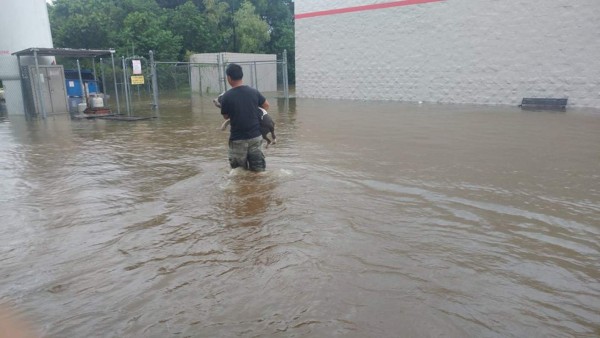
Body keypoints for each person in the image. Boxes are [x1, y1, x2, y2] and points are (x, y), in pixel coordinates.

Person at [219, 63, 270, 171]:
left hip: (238, 139)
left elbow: (225, 116)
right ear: (241, 76)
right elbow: (266, 105)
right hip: (255, 137)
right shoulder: (254, 92)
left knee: (238, 173)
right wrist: (255, 113)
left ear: (229, 77)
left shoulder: (226, 96)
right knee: (259, 172)